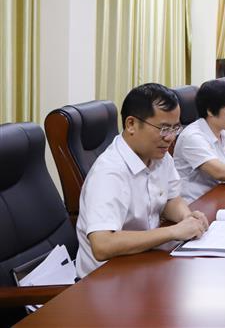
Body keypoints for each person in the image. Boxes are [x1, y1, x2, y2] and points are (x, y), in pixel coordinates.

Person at [75, 83, 209, 278]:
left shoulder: (159, 156)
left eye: (175, 128)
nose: (170, 138)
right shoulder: (109, 172)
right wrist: (174, 232)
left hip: (143, 261)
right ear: (131, 124)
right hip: (107, 278)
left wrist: (187, 218)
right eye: (163, 128)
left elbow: (171, 199)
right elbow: (102, 244)